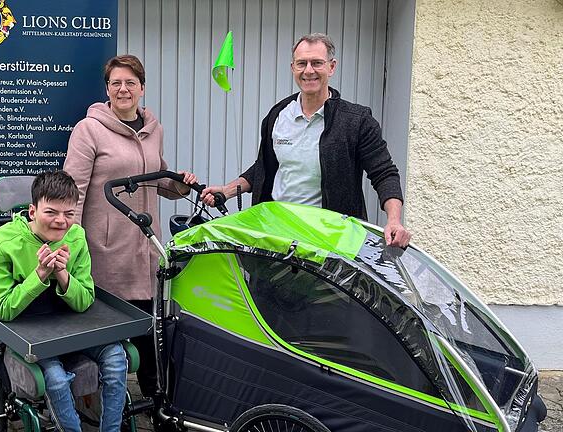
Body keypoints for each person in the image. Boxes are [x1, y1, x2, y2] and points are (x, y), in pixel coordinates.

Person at [63, 54, 197, 399]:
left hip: (147, 249)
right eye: (116, 83)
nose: (123, 89)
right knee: (112, 340)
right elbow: (72, 192)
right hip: (106, 253)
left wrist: (181, 183)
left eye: (130, 83)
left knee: (150, 333)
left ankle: (157, 405)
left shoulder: (154, 130)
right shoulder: (88, 129)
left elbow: (156, 176)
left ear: (142, 88)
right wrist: (71, 245)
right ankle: (112, 410)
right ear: (107, 89)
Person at [201, 33, 411, 248]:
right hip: (277, 238)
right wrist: (227, 190)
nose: (308, 70)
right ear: (293, 67)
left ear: (331, 67)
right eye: (302, 63)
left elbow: (384, 172)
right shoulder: (277, 115)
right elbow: (265, 167)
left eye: (317, 63)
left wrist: (393, 220)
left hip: (332, 243)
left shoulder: (356, 121)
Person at [0, 170, 126, 432]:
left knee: (117, 357)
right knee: (57, 379)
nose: (62, 221)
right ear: (32, 211)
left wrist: (62, 274)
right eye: (51, 212)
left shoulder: (77, 236)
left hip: (71, 325)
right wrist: (39, 275)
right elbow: (3, 308)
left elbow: (85, 301)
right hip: (29, 329)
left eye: (69, 214)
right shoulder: (0, 243)